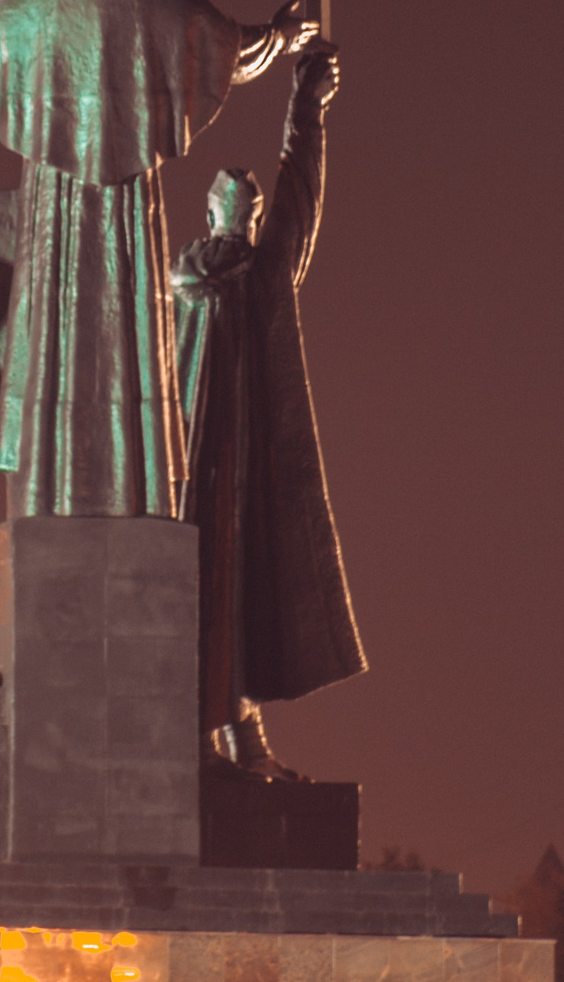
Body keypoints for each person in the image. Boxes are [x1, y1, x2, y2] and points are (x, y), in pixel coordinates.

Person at [0, 0, 308, 518]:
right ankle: (133, 486)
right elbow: (231, 49)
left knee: (57, 335)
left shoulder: (21, 6)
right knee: (130, 329)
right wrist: (279, 37)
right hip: (131, 210)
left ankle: (52, 491)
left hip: (53, 208)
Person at [172, 44, 365, 777]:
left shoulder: (260, 277)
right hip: (186, 470)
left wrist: (305, 110)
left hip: (245, 469)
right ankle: (193, 736)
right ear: (210, 208)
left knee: (241, 592)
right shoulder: (187, 277)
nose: (247, 216)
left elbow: (300, 198)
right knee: (191, 593)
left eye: (250, 209)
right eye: (235, 204)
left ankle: (240, 736)